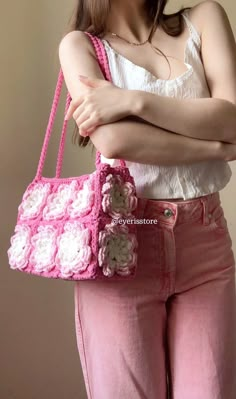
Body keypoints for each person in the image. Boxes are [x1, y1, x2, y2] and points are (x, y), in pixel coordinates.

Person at [59, 0, 236, 398]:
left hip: (204, 245)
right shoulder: (80, 46)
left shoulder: (205, 18)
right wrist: (216, 148)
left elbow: (233, 118)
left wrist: (132, 102)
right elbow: (116, 140)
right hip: (122, 242)